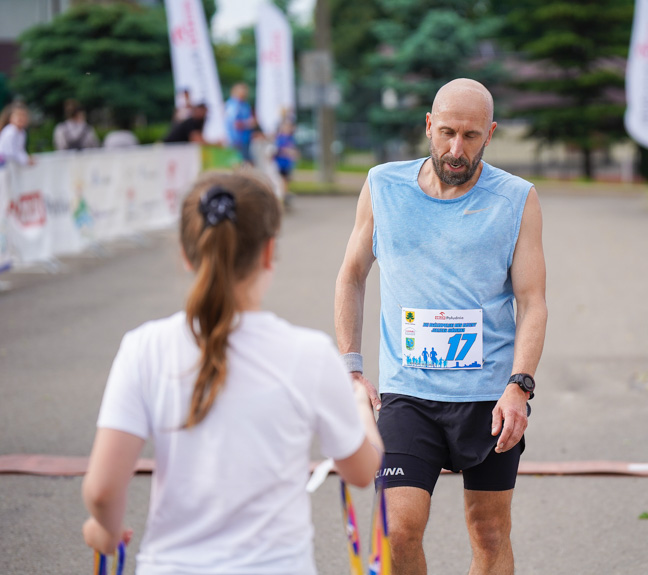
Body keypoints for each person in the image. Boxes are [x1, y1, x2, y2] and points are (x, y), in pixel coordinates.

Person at [82, 172, 383, 574]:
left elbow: (102, 489)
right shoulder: (308, 354)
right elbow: (362, 471)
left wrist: (105, 529)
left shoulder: (145, 348)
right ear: (268, 251)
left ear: (187, 254)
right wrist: (361, 406)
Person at [334, 78, 548, 575]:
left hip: (487, 397)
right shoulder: (383, 186)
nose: (456, 149)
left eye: (471, 136)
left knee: (489, 532)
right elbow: (351, 274)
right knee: (397, 529)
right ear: (428, 126)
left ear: (490, 134)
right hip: (409, 395)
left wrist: (520, 387)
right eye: (447, 132)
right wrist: (350, 366)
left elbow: (532, 302)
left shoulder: (517, 199)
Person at [225, 83, 257, 162]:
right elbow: (233, 123)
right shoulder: (233, 105)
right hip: (236, 140)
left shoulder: (245, 105)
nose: (244, 93)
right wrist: (248, 123)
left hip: (245, 139)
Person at [274, 117, 299, 204]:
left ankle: (284, 196)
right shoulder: (280, 138)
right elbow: (278, 150)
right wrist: (288, 152)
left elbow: (294, 151)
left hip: (287, 164)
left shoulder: (290, 138)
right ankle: (282, 196)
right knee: (282, 180)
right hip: (280, 163)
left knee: (286, 180)